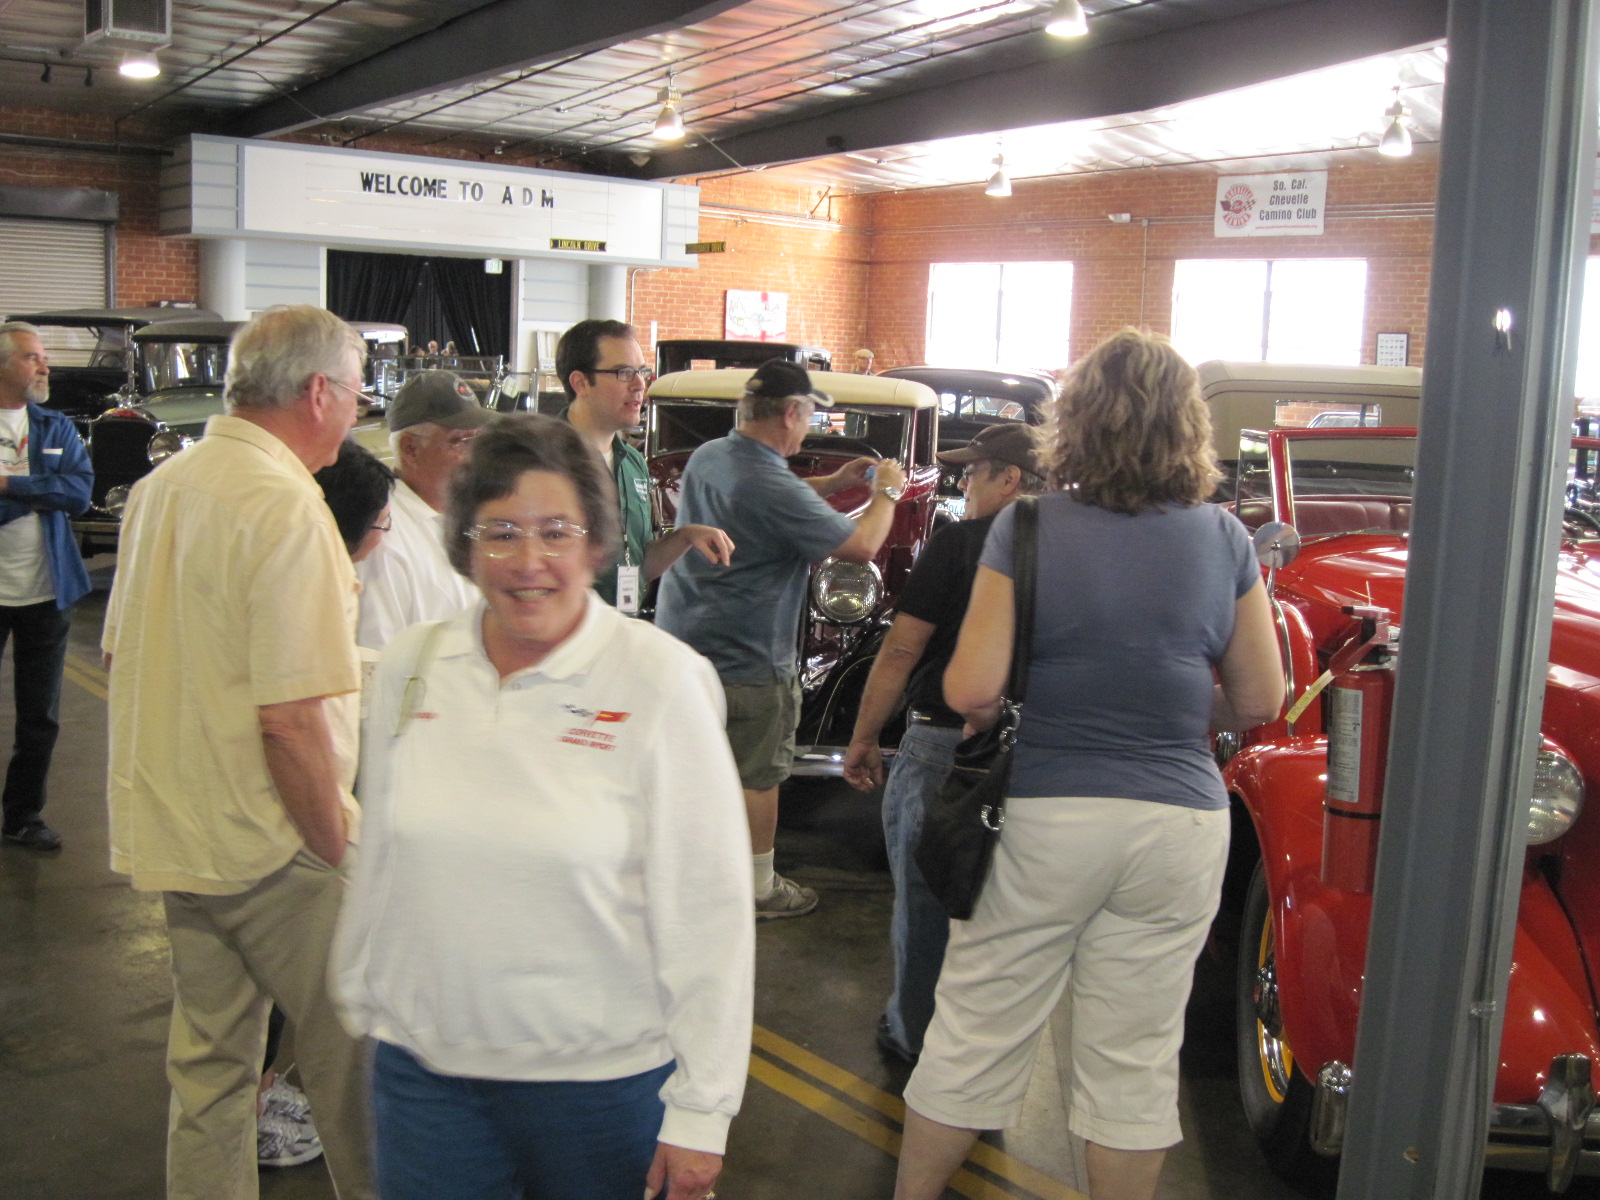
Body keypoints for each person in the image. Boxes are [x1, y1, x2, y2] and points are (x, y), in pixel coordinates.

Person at [892, 329, 1285, 1200]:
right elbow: (1262, 699)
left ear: (1071, 424)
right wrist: (1182, 703)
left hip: (1044, 813)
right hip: (1180, 823)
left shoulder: (1023, 527)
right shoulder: (1225, 536)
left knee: (975, 1030)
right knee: (1133, 1062)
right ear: (1187, 427)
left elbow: (971, 686)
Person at [332, 414, 753, 1200]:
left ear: (598, 543)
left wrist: (702, 1108)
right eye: (500, 533)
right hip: (428, 1075)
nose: (528, 562)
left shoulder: (660, 680)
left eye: (556, 531)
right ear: (463, 544)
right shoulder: (413, 666)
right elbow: (384, 845)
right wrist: (360, 982)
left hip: (602, 1088)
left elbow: (710, 906)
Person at [103, 304, 376, 1200]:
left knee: (212, 1076)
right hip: (277, 844)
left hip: (180, 833)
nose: (359, 408)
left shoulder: (164, 489)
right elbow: (289, 720)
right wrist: (337, 851)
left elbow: (128, 649)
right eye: (356, 389)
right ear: (316, 390)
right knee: (365, 1079)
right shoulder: (285, 507)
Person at [656, 358, 906, 920]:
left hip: (684, 641)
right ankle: (757, 887)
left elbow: (768, 495)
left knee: (693, 766)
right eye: (811, 413)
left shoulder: (712, 456)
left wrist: (834, 483)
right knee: (759, 772)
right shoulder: (766, 481)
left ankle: (686, 870)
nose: (809, 423)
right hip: (747, 652)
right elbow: (862, 547)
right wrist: (886, 492)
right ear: (792, 413)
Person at [841, 422, 1043, 1063]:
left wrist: (865, 735)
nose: (963, 482)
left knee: (926, 903)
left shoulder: (959, 543)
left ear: (1009, 479)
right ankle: (990, 1049)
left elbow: (902, 647)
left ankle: (917, 1037)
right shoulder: (1075, 549)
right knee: (1011, 913)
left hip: (946, 746)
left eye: (974, 471)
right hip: (1037, 749)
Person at [252, 439, 398, 1172]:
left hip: (279, 817)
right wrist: (337, 842)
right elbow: (289, 719)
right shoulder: (319, 578)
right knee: (333, 1017)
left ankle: (270, 1093)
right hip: (307, 825)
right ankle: (284, 1102)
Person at [554, 319, 733, 611]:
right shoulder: (541, 460)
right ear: (581, 383)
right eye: (624, 373)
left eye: (642, 371)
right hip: (565, 636)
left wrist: (685, 536)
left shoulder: (633, 462)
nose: (640, 385)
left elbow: (639, 563)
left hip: (622, 631)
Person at [0, 322, 92, 852]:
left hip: (46, 590)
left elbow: (79, 495)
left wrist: (11, 484)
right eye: (33, 357)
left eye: (44, 357)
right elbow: (58, 492)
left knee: (40, 716)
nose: (45, 367)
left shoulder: (55, 427)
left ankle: (21, 816)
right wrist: (40, 494)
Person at [355, 369, 488, 650]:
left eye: (479, 440)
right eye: (461, 441)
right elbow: (378, 659)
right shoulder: (383, 539)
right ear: (411, 449)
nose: (475, 455)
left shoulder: (471, 518)